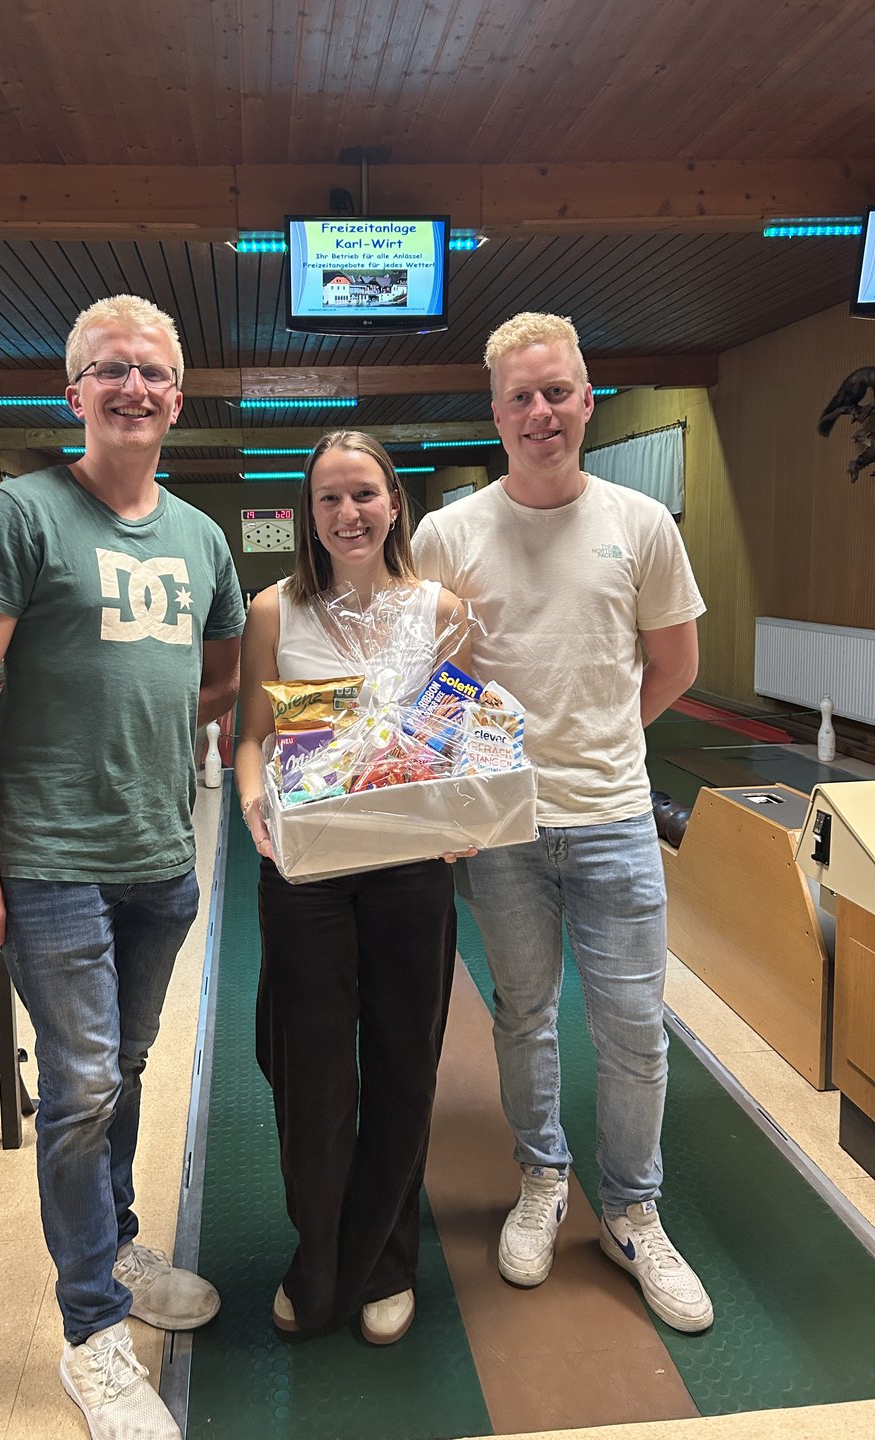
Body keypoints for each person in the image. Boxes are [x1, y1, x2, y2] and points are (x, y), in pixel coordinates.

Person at [0, 294, 245, 1440]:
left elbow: (220, 677)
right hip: (49, 859)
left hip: (160, 855)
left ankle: (114, 1243)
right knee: (80, 1090)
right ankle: (93, 1331)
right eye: (110, 369)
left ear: (178, 398)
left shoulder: (201, 539)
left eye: (153, 372)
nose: (134, 387)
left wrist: (147, 735)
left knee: (128, 1067)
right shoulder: (23, 513)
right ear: (74, 394)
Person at [412, 313, 714, 1334]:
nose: (540, 412)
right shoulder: (448, 534)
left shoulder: (642, 523)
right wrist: (466, 788)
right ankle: (543, 1179)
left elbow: (675, 665)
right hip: (504, 832)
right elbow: (430, 681)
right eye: (520, 397)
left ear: (587, 401)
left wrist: (601, 740)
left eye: (557, 393)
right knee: (524, 1014)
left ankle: (633, 1211)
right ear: (495, 414)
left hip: (616, 819)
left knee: (634, 1027)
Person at [235, 431, 470, 1344]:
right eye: (328, 498)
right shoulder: (274, 611)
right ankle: (320, 1256)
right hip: (309, 871)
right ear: (309, 512)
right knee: (312, 1072)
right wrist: (254, 805)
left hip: (410, 869)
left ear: (395, 502)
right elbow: (253, 738)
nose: (348, 513)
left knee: (405, 1064)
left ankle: (386, 1262)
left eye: (364, 493)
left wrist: (466, 813)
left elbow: (461, 733)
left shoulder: (440, 610)